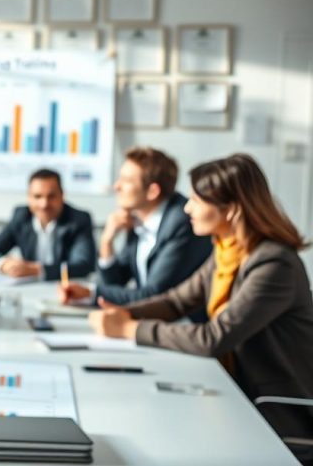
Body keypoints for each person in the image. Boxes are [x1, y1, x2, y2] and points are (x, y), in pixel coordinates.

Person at [87, 154, 313, 448]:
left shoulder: (273, 264)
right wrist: (120, 313)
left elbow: (213, 338)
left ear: (230, 209)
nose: (187, 207)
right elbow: (176, 302)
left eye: (196, 199)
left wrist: (128, 329)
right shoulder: (227, 252)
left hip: (277, 413)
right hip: (237, 392)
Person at [60, 147, 211, 306]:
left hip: (186, 323)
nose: (117, 186)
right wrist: (106, 242)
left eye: (126, 181)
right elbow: (116, 283)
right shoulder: (138, 218)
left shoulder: (181, 222)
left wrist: (91, 293)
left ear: (152, 191)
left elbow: (155, 294)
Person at [0, 169, 96, 280]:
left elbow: (83, 265)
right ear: (29, 197)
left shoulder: (79, 220)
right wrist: (5, 265)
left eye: (51, 196)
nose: (44, 204)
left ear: (62, 196)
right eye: (37, 196)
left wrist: (36, 270)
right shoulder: (21, 217)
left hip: (65, 289)